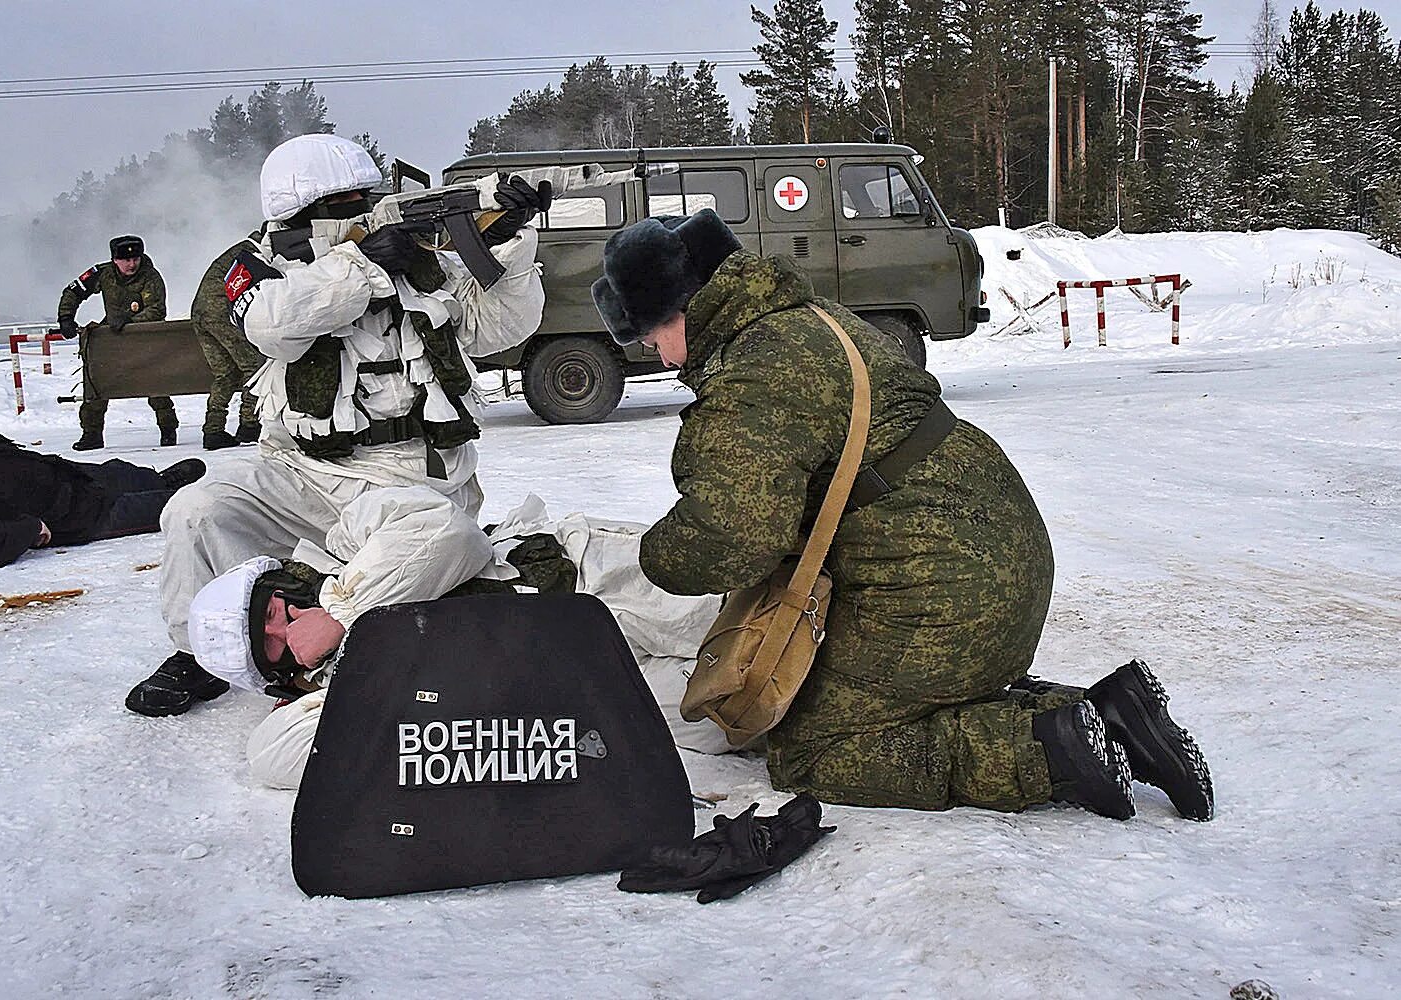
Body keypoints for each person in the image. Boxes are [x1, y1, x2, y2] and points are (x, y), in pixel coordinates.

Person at [591, 209, 1214, 822]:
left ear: (680, 308)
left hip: (943, 589)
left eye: (651, 339)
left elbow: (732, 534)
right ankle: (1118, 715)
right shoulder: (808, 319)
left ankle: (1053, 749)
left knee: (815, 746)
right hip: (995, 549)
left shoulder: (756, 370)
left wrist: (651, 556)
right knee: (888, 698)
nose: (664, 360)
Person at [125, 133, 551, 718]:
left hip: (412, 478)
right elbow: (273, 325)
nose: (362, 212)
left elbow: (496, 332)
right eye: (343, 206)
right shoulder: (258, 266)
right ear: (297, 216)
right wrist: (364, 262)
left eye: (364, 198)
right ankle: (205, 654)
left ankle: (335, 632)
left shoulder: (416, 256)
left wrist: (508, 254)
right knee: (196, 510)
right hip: (302, 468)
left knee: (438, 548)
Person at [183, 493, 722, 788]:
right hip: (588, 685)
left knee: (769, 619)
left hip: (596, 583)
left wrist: (342, 612)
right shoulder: (334, 693)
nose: (290, 626)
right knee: (745, 704)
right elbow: (273, 758)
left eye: (277, 610)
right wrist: (344, 686)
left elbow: (447, 533)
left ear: (283, 582)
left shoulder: (356, 538)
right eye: (275, 645)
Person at [0, 427, 204, 568]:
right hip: (79, 515)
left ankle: (158, 481)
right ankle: (190, 496)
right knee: (183, 507)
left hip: (71, 476)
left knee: (124, 473)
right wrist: (31, 529)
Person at [56, 235, 179, 451]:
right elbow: (73, 291)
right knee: (96, 381)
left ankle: (168, 429)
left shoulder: (150, 277)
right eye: (126, 260)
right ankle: (92, 433)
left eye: (135, 259)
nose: (132, 264)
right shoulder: (102, 273)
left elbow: (157, 310)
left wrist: (129, 321)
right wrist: (66, 318)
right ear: (115, 260)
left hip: (143, 336)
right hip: (112, 336)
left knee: (156, 385)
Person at [191, 229, 267, 450]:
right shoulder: (255, 252)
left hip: (201, 313)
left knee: (226, 373)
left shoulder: (240, 250)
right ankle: (249, 424)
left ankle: (213, 430)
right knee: (254, 366)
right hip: (220, 312)